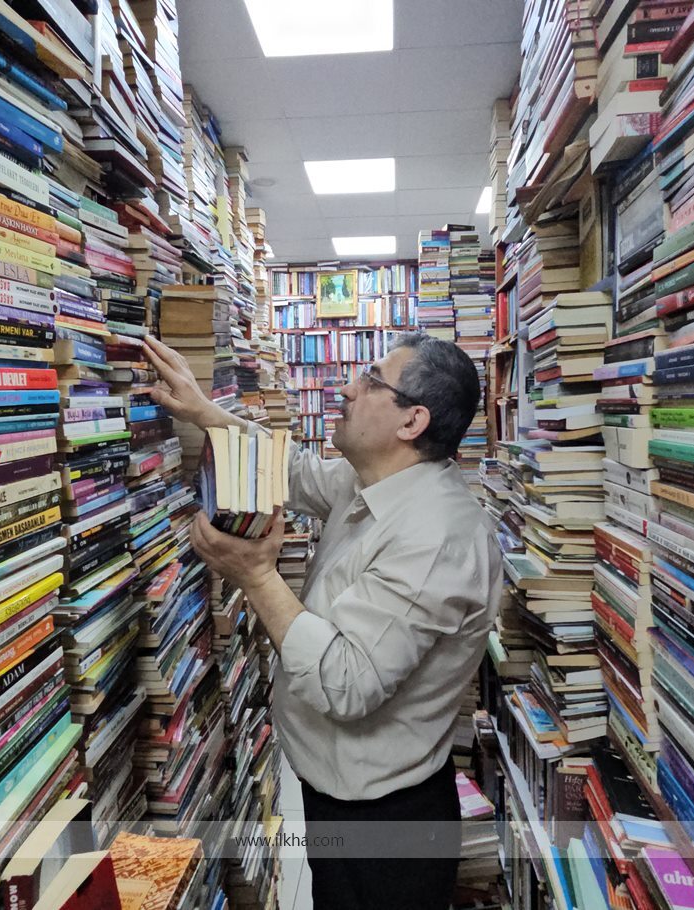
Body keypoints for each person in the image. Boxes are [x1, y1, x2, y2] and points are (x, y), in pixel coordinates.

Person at [143, 332, 502, 910]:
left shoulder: (435, 536)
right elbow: (294, 472)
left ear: (412, 421)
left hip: (384, 824)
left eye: (371, 380)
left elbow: (346, 683)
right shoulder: (378, 482)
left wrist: (257, 577)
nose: (347, 389)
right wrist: (206, 412)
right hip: (344, 795)